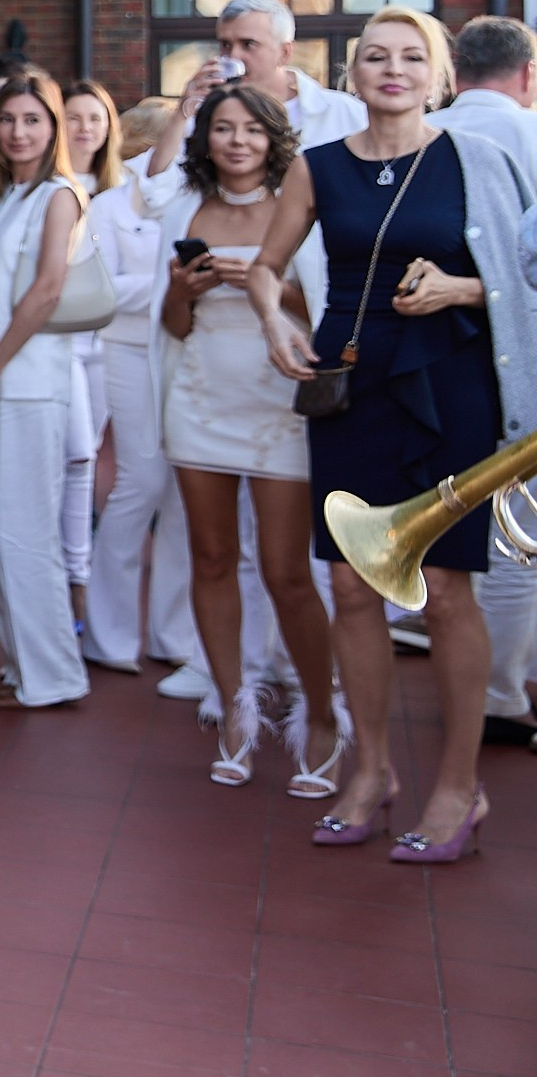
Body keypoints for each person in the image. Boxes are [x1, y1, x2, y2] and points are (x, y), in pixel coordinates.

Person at [253, 8, 536, 860]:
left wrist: (463, 289)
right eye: (376, 55)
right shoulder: (317, 166)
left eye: (413, 56)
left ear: (440, 75)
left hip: (451, 389)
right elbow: (267, 267)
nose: (393, 68)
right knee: (348, 587)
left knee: (447, 590)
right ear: (352, 72)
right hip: (350, 384)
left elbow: (521, 281)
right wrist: (272, 319)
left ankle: (460, 786)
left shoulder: (480, 158)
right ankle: (371, 770)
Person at [153, 83, 339, 791]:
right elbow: (170, 326)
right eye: (223, 128)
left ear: (273, 138)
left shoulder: (303, 207)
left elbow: (319, 308)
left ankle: (321, 715)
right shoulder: (185, 206)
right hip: (200, 396)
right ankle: (236, 710)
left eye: (251, 130)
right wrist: (185, 289)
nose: (236, 141)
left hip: (279, 398)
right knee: (209, 556)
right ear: (205, 138)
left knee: (289, 571)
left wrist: (265, 280)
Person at [0, 72, 89, 711]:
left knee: (24, 531)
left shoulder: (59, 194)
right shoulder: (3, 197)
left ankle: (54, 674)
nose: (18, 131)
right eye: (8, 119)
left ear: (52, 126)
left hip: (28, 384)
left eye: (32, 119)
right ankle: (19, 663)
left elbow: (47, 290)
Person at [428, 15, 537, 748]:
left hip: (434, 365)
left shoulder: (423, 134)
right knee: (518, 531)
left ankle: (489, 689)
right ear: (527, 74)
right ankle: (498, 695)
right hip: (519, 360)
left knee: (475, 531)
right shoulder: (532, 136)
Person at [88, 103, 198, 678]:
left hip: (186, 353)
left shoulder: (193, 201)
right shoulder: (106, 205)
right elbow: (100, 286)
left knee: (184, 488)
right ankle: (108, 633)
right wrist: (167, 285)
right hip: (126, 350)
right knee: (141, 479)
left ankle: (172, 631)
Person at [144, 0, 366, 193]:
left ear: (285, 52)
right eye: (225, 45)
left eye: (248, 44)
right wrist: (182, 112)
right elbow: (156, 191)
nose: (234, 56)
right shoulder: (208, 114)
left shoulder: (342, 111)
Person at [60, 81, 123, 632]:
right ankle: (73, 580)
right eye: (74, 117)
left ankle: (78, 572)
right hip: (59, 345)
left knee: (87, 455)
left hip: (106, 348)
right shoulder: (50, 187)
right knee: (77, 460)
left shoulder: (123, 190)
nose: (84, 128)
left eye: (94, 119)